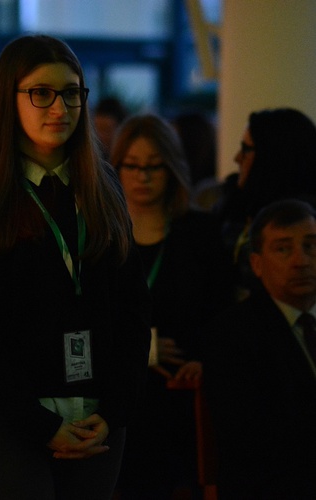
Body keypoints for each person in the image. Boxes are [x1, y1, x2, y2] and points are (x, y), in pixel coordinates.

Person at [0, 34, 151, 500]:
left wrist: (115, 412)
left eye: (72, 92)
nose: (60, 108)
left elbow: (134, 311)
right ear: (8, 100)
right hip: (7, 417)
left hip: (97, 416)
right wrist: (38, 423)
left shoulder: (103, 183)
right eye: (41, 93)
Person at [109, 114, 234, 499]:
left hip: (183, 397)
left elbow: (223, 314)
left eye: (154, 166)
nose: (143, 177)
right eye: (132, 166)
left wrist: (207, 360)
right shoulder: (100, 234)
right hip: (118, 400)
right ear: (116, 169)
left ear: (173, 168)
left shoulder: (201, 232)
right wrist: (140, 349)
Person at [203, 198, 316, 499]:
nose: (302, 260)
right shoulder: (232, 334)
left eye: (310, 245)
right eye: (283, 248)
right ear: (257, 264)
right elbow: (249, 439)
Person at [213, 107, 316, 301]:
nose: (237, 158)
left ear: (274, 155)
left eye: (246, 149)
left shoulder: (306, 218)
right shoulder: (233, 202)